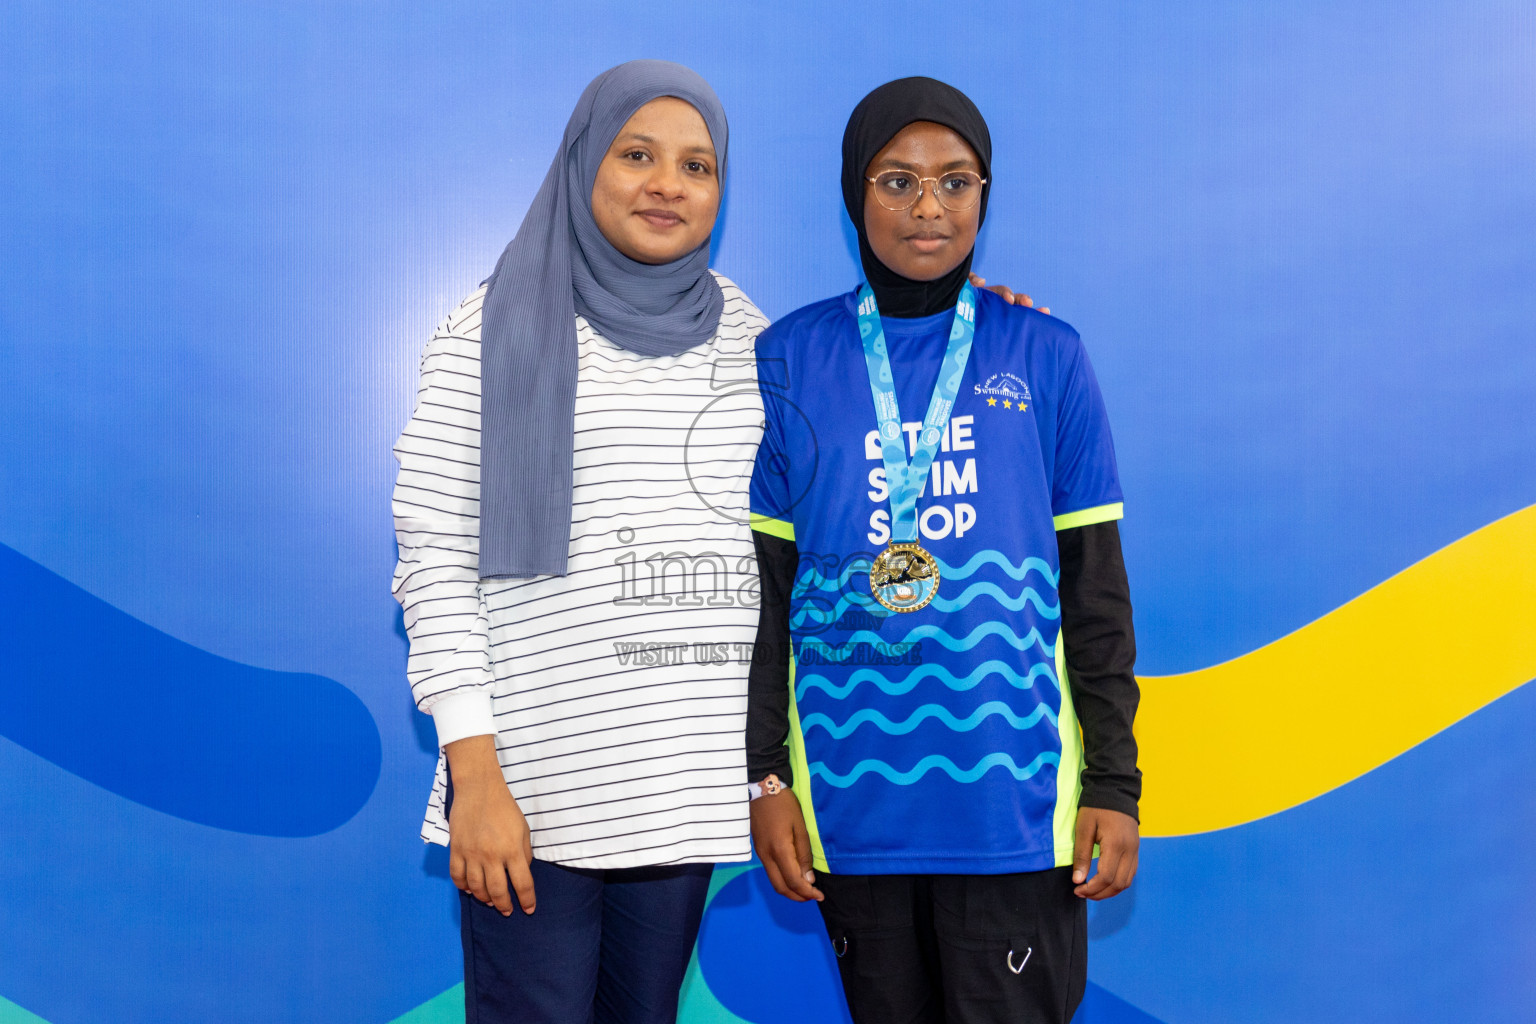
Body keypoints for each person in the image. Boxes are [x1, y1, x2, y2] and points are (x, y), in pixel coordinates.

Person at [746, 76, 1141, 1024]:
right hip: (850, 811)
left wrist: (1115, 785)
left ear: (984, 196)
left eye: (956, 181)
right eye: (896, 181)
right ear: (855, 196)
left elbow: (1095, 594)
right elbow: (764, 598)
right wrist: (765, 775)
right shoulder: (790, 359)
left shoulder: (1047, 354)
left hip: (1012, 811)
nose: (928, 206)